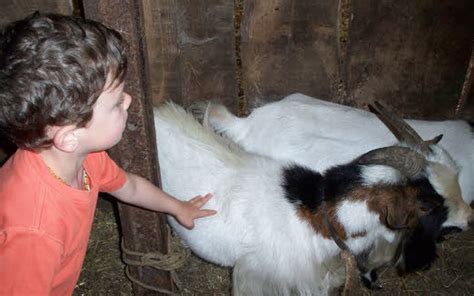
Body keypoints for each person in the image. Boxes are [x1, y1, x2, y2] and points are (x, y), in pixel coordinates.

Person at [0, 12, 216, 295]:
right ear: (69, 135)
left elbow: (130, 186)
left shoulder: (82, 157)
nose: (128, 101)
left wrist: (177, 207)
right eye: (115, 103)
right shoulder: (34, 234)